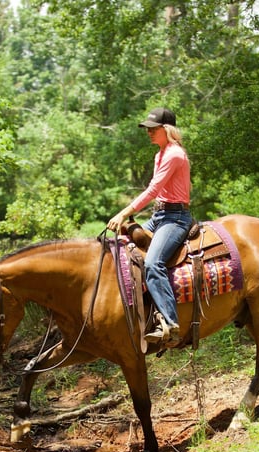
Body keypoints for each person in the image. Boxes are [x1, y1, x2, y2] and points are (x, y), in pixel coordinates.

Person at [106, 107, 192, 346]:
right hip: (160, 215)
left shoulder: (175, 154)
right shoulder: (160, 154)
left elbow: (153, 190)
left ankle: (171, 324)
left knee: (154, 263)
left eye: (154, 129)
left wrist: (124, 213)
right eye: (148, 129)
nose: (149, 133)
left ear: (167, 130)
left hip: (176, 218)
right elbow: (157, 193)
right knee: (125, 248)